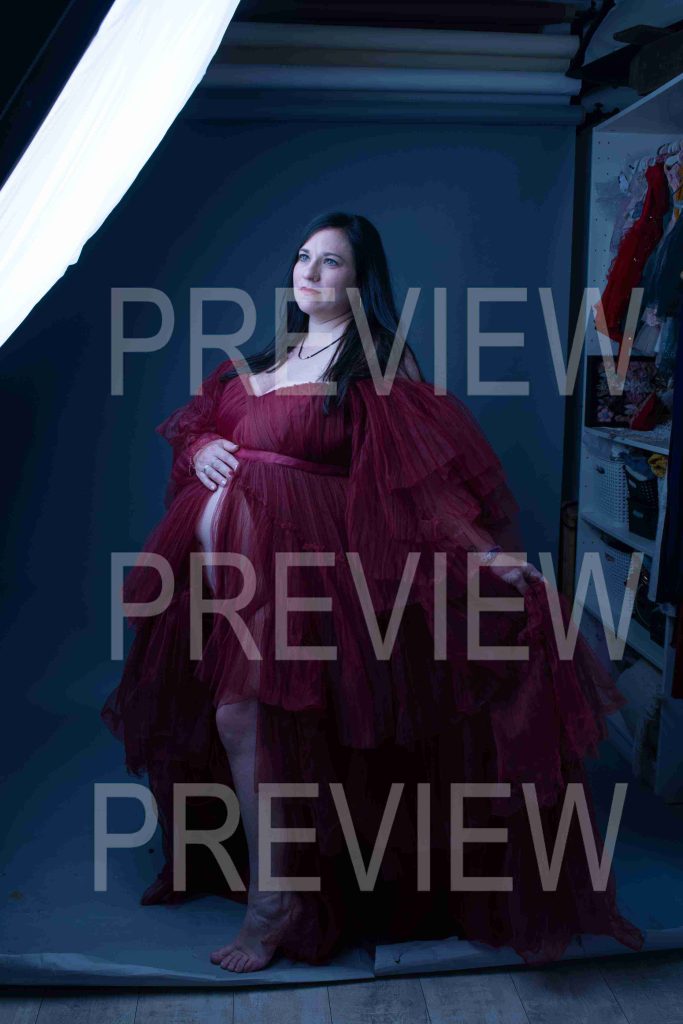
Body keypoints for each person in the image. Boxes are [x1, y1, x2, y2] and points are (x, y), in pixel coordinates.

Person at [102, 211, 645, 974]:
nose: (309, 271)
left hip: (311, 572)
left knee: (244, 715)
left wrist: (486, 556)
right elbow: (199, 429)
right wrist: (202, 446)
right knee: (245, 720)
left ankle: (275, 900)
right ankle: (283, 883)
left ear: (359, 281)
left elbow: (420, 489)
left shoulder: (377, 368)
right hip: (229, 583)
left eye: (329, 261)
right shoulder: (261, 360)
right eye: (302, 256)